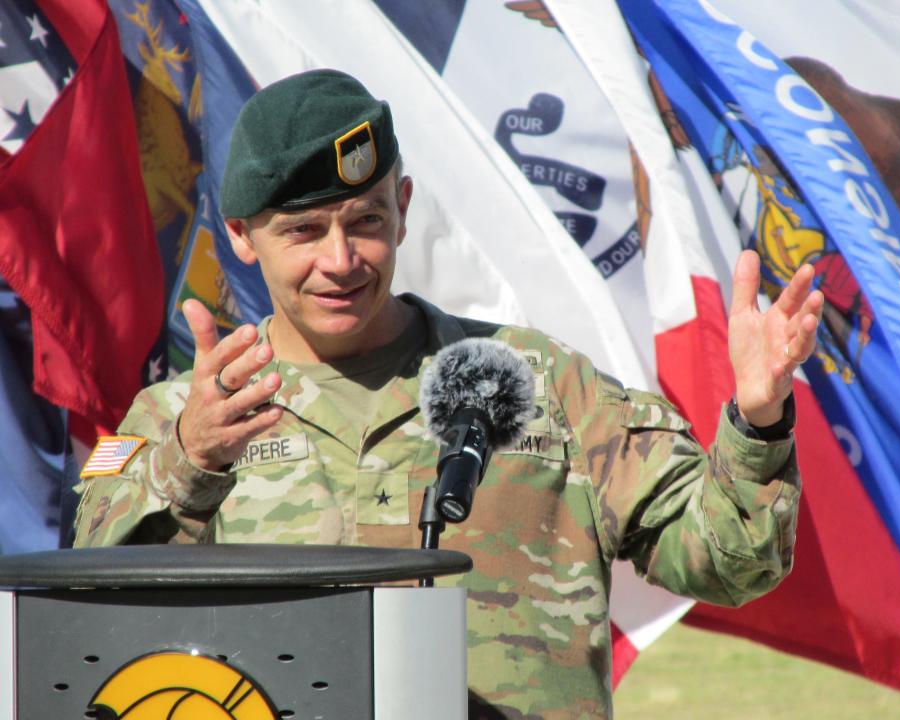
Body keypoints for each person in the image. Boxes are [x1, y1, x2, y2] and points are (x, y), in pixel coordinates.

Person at [73, 69, 823, 718]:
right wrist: (190, 462)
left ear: (402, 205)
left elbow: (729, 561)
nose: (341, 260)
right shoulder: (175, 420)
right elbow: (91, 614)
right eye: (304, 232)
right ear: (240, 235)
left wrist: (757, 422)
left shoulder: (538, 381)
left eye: (365, 221)